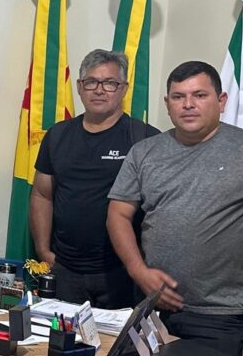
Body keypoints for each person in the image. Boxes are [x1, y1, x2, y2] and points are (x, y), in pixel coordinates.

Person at [106, 61, 243, 356]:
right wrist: (138, 270)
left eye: (199, 95)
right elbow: (118, 213)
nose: (188, 105)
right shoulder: (145, 152)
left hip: (220, 313)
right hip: (152, 305)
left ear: (221, 101)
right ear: (167, 104)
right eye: (178, 97)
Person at [31, 51, 159, 308]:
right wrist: (44, 251)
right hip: (64, 270)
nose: (99, 90)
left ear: (124, 89)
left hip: (121, 273)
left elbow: (162, 207)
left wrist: (143, 264)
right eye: (91, 82)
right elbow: (42, 195)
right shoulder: (57, 135)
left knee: (116, 348)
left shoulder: (145, 139)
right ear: (79, 87)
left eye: (110, 83)